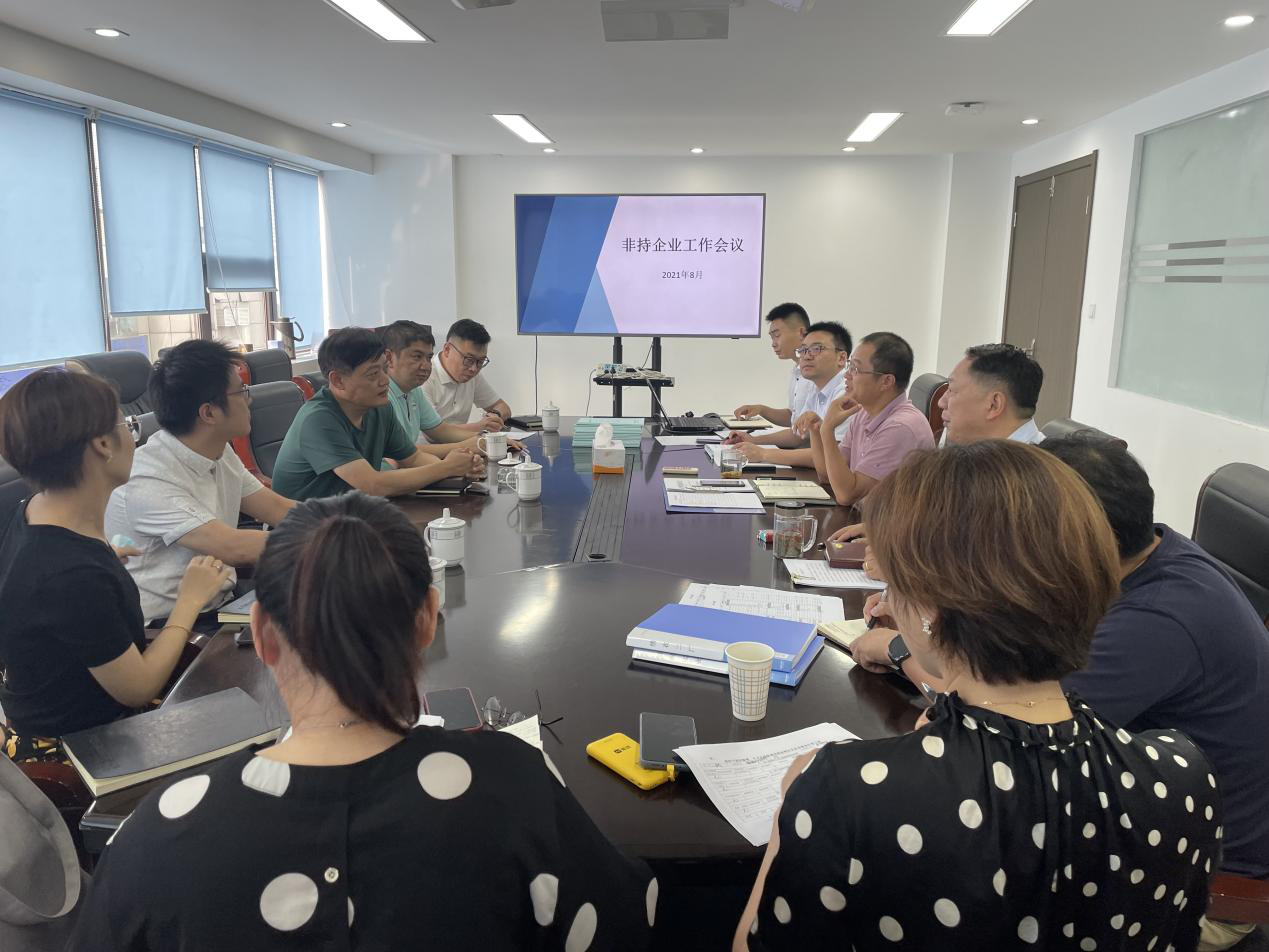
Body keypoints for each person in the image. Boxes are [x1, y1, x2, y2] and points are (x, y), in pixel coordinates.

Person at [70, 492, 656, 951]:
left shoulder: (156, 834)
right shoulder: (515, 787)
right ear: (427, 620)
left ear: (263, 635)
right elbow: (628, 920)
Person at [736, 441, 1219, 951]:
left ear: (931, 610)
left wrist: (795, 809)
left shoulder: (845, 790)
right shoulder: (1186, 775)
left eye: (897, 583)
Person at [1042, 434, 1269, 951]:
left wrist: (907, 650)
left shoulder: (1158, 618)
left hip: (1198, 889)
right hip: (1150, 820)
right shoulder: (1154, 552)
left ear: (1083, 540)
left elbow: (1016, 728)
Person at [0, 370, 231, 743]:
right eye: (129, 425)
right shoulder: (72, 574)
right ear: (103, 444)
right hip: (81, 749)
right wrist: (190, 599)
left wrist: (104, 558)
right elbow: (138, 688)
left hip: (56, 715)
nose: (134, 437)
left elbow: (44, 587)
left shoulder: (34, 510)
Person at [105, 340, 295, 624]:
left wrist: (346, 522)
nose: (249, 399)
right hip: (171, 629)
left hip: (222, 606)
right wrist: (329, 540)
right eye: (241, 391)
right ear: (209, 413)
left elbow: (277, 508)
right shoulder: (146, 478)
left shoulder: (219, 450)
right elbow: (232, 546)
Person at [270, 328, 482, 501]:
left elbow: (414, 458)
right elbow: (372, 485)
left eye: (384, 369)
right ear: (338, 380)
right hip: (305, 528)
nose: (385, 380)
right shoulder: (318, 419)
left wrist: (459, 470)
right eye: (373, 374)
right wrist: (445, 468)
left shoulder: (380, 408)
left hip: (352, 515)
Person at [809, 332, 934, 506]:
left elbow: (847, 495)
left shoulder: (901, 427)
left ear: (886, 381)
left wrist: (827, 429)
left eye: (855, 369)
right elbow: (826, 475)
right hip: (865, 517)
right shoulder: (863, 412)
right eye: (849, 366)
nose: (846, 375)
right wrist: (818, 430)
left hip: (888, 522)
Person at [379, 320, 521, 459]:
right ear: (389, 358)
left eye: (428, 358)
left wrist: (489, 439)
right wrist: (469, 445)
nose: (426, 366)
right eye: (417, 357)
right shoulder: (381, 396)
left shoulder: (414, 391)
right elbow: (400, 452)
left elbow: (440, 430)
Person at [725, 322, 852, 468]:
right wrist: (753, 440)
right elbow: (798, 434)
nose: (806, 356)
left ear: (841, 358)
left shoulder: (846, 393)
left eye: (816, 349)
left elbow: (834, 456)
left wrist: (763, 454)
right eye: (803, 350)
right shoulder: (816, 388)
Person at [940, 342, 1045, 445]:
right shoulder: (985, 451)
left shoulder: (1022, 457)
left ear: (994, 405)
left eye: (952, 390)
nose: (941, 402)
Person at [421, 319, 512, 432]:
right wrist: (481, 426)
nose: (474, 369)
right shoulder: (424, 376)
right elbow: (435, 432)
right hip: (431, 444)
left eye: (481, 361)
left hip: (464, 441)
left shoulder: (472, 375)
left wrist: (494, 416)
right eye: (469, 359)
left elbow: (503, 407)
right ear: (447, 350)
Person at [733, 303, 812, 428]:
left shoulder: (816, 373)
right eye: (772, 338)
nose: (773, 344)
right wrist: (761, 409)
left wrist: (756, 438)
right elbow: (793, 418)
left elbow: (804, 431)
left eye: (777, 335)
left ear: (802, 333)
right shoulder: (797, 371)